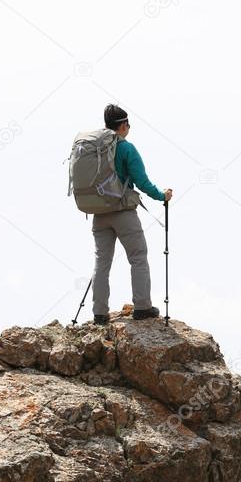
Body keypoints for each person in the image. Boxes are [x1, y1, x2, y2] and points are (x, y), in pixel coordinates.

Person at [91, 104, 172, 324]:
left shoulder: (96, 148)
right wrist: (162, 196)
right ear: (123, 125)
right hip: (122, 212)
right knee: (138, 257)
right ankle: (142, 307)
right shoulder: (127, 149)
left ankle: (99, 313)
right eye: (128, 124)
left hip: (99, 213)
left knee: (102, 262)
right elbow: (142, 182)